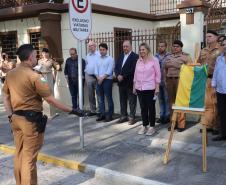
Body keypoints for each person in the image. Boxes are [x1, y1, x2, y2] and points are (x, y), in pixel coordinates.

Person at [2, 44, 84, 185]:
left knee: (19, 155)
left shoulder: (11, 74)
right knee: (29, 159)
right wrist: (72, 110)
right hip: (30, 122)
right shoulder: (34, 76)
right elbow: (51, 100)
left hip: (15, 119)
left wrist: (10, 116)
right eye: (35, 55)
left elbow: (5, 96)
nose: (37, 57)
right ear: (29, 58)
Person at [164, 40, 192, 132]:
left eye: (177, 46)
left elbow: (190, 68)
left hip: (180, 80)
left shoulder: (186, 57)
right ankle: (173, 123)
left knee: (181, 102)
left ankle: (181, 124)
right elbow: (165, 67)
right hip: (169, 80)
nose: (174, 48)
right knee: (171, 102)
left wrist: (174, 64)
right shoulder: (169, 56)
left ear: (181, 47)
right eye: (173, 46)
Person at [133, 42, 161, 136]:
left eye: (143, 49)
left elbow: (158, 75)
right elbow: (135, 75)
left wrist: (157, 88)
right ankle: (144, 125)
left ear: (148, 50)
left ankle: (152, 126)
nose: (141, 51)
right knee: (143, 108)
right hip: (139, 88)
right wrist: (134, 87)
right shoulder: (138, 61)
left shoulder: (154, 60)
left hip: (150, 88)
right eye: (140, 50)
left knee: (151, 107)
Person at [198, 30, 221, 134]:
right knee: (207, 104)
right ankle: (208, 125)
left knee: (216, 103)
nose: (207, 38)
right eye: (206, 37)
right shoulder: (203, 50)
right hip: (205, 79)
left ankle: (217, 126)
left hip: (217, 80)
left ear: (216, 37)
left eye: (210, 36)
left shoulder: (221, 49)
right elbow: (199, 63)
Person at [115, 40, 139, 124]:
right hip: (121, 83)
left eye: (126, 46)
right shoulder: (120, 56)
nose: (125, 48)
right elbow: (116, 67)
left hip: (130, 82)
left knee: (132, 101)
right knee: (122, 100)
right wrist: (117, 75)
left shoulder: (135, 56)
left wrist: (123, 76)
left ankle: (132, 117)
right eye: (124, 46)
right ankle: (123, 116)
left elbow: (133, 69)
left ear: (130, 46)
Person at [95, 43, 114, 122]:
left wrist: (101, 79)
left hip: (107, 80)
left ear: (106, 50)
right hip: (99, 80)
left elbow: (109, 71)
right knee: (100, 98)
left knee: (108, 98)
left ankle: (110, 115)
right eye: (100, 50)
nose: (102, 51)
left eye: (103, 50)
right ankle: (102, 114)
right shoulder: (97, 59)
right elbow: (95, 70)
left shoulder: (110, 59)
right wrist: (98, 78)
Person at [211, 37, 226, 141]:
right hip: (221, 90)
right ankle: (223, 134)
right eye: (223, 44)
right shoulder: (219, 58)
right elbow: (216, 73)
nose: (224, 46)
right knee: (222, 112)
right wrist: (213, 86)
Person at [155, 41, 170, 124]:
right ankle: (162, 116)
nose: (160, 47)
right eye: (159, 46)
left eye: (162, 46)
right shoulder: (155, 56)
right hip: (157, 81)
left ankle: (167, 116)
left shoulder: (169, 56)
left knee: (167, 99)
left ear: (166, 47)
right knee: (160, 99)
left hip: (166, 81)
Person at [85, 41, 100, 116]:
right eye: (89, 46)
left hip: (97, 76)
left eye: (92, 46)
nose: (90, 47)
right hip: (89, 76)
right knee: (90, 94)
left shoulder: (99, 54)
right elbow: (87, 64)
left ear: (95, 46)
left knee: (98, 94)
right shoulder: (88, 55)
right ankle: (92, 110)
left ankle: (99, 110)